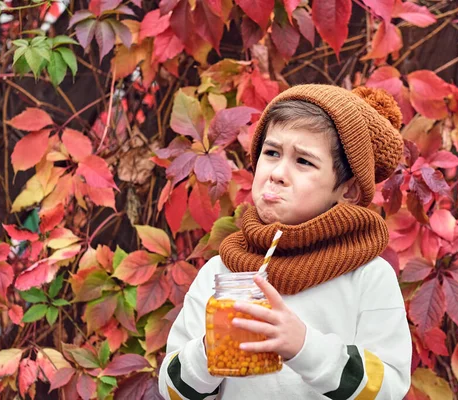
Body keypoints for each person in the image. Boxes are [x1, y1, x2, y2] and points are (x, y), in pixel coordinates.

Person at [158, 84, 412, 399]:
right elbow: (171, 391)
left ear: (347, 191)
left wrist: (305, 347)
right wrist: (210, 351)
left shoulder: (367, 277)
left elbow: (390, 389)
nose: (277, 172)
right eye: (272, 153)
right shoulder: (221, 271)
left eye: (303, 161)